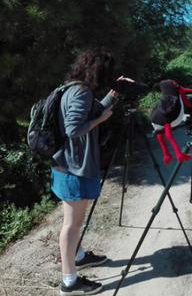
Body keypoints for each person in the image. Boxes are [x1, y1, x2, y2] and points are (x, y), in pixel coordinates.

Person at [51, 48, 132, 295]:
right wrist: (101, 120)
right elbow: (74, 128)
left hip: (65, 164)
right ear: (98, 70)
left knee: (73, 222)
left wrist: (114, 94)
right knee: (72, 224)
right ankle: (69, 282)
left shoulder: (70, 87)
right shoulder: (81, 92)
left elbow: (92, 109)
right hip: (73, 168)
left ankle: (80, 255)